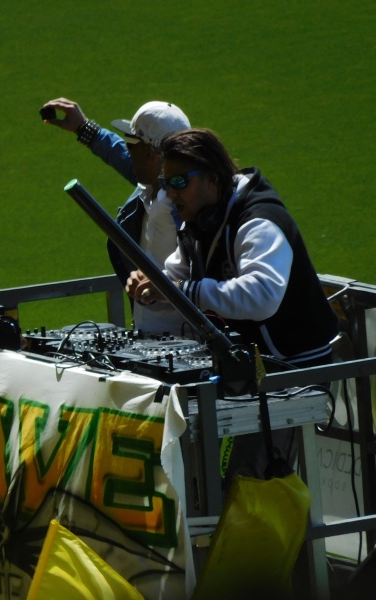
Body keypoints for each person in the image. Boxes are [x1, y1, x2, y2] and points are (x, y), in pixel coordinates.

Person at [126, 128, 340, 480]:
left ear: (212, 178)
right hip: (250, 370)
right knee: (208, 477)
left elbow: (261, 297)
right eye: (165, 182)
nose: (171, 193)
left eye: (179, 181)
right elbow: (175, 278)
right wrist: (150, 284)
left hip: (294, 372)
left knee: (251, 482)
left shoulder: (260, 220)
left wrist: (179, 289)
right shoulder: (199, 217)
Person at [42, 98, 191, 335]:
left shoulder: (193, 214)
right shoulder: (151, 185)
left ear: (153, 155)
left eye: (131, 144)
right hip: (148, 341)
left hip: (194, 348)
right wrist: (84, 128)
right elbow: (122, 157)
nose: (127, 150)